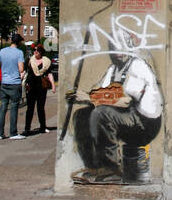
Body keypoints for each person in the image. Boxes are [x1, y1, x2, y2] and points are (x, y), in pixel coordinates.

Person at [67, 44, 162, 184]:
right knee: (82, 115)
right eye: (114, 48)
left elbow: (125, 101)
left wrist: (91, 98)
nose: (117, 52)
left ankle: (111, 169)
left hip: (145, 124)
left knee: (101, 114)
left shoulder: (137, 66)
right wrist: (82, 96)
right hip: (126, 118)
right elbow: (100, 94)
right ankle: (93, 167)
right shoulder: (113, 69)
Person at [0, 33, 26, 140]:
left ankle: (0, 133)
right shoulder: (19, 53)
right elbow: (21, 69)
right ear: (18, 42)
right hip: (14, 83)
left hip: (4, 82)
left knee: (3, 107)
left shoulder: (2, 51)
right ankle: (13, 133)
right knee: (14, 108)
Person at [24, 43, 55, 135]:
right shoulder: (29, 61)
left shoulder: (46, 61)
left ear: (41, 52)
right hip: (31, 86)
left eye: (37, 50)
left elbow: (49, 74)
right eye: (34, 50)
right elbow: (24, 72)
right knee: (30, 108)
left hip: (42, 86)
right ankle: (27, 128)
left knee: (40, 108)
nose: (36, 52)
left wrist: (53, 85)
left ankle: (43, 127)